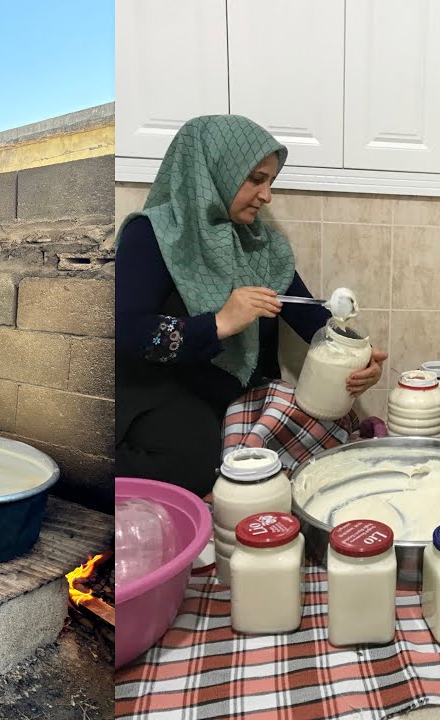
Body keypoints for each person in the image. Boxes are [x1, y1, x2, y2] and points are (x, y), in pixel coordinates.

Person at [114, 114, 386, 496]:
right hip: (169, 393)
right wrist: (219, 323)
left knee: (334, 426)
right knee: (196, 465)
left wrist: (360, 354)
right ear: (213, 172)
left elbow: (310, 315)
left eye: (270, 181)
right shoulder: (152, 235)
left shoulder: (262, 248)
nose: (267, 195)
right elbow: (125, 333)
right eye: (256, 179)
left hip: (244, 392)